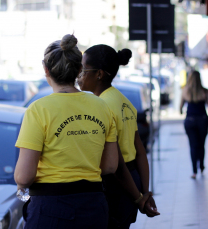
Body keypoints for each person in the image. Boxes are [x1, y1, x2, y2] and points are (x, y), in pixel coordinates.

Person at [13, 35, 151, 229]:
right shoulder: (102, 107)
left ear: (46, 70)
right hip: (93, 207)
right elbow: (111, 166)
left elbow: (24, 176)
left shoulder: (38, 110)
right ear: (79, 69)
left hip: (50, 208)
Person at [77, 44, 159, 229]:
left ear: (99, 74)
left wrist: (139, 198)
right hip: (132, 181)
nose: (78, 75)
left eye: (83, 70)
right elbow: (140, 152)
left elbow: (116, 164)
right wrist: (145, 192)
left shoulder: (100, 107)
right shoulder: (125, 102)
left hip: (117, 186)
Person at [180, 71, 208, 179]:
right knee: (201, 144)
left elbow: (180, 107)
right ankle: (201, 165)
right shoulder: (204, 91)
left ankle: (194, 171)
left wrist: (182, 111)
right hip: (202, 120)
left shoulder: (185, 91)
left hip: (190, 120)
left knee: (193, 145)